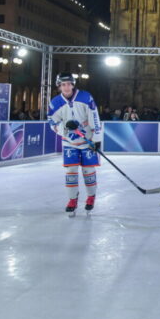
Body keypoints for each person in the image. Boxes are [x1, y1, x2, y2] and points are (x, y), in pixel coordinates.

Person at [46, 72, 103, 216]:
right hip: (69, 143)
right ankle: (72, 199)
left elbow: (94, 117)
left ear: (73, 84)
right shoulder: (55, 102)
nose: (66, 87)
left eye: (69, 84)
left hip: (87, 141)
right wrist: (64, 129)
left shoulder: (85, 97)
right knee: (71, 172)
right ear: (59, 86)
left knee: (88, 171)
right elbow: (52, 122)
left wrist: (96, 139)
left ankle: (91, 197)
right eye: (63, 84)